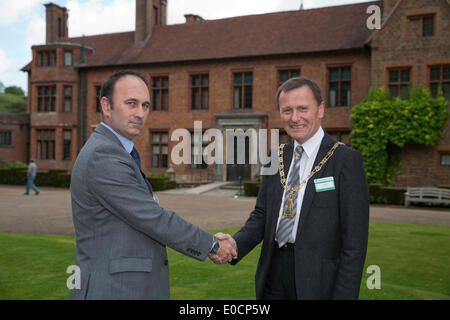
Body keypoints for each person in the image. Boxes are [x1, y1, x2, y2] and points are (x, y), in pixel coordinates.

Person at [70, 70, 236, 300]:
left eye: (145, 105)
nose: (140, 113)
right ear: (106, 106)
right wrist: (212, 245)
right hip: (113, 290)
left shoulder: (115, 150)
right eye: (131, 103)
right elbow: (152, 217)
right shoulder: (104, 155)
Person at [216, 77, 369, 300]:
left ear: (320, 109)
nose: (295, 118)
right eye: (287, 110)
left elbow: (354, 242)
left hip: (318, 280)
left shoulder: (345, 160)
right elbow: (261, 216)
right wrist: (235, 244)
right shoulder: (274, 158)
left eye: (302, 109)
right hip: (273, 273)